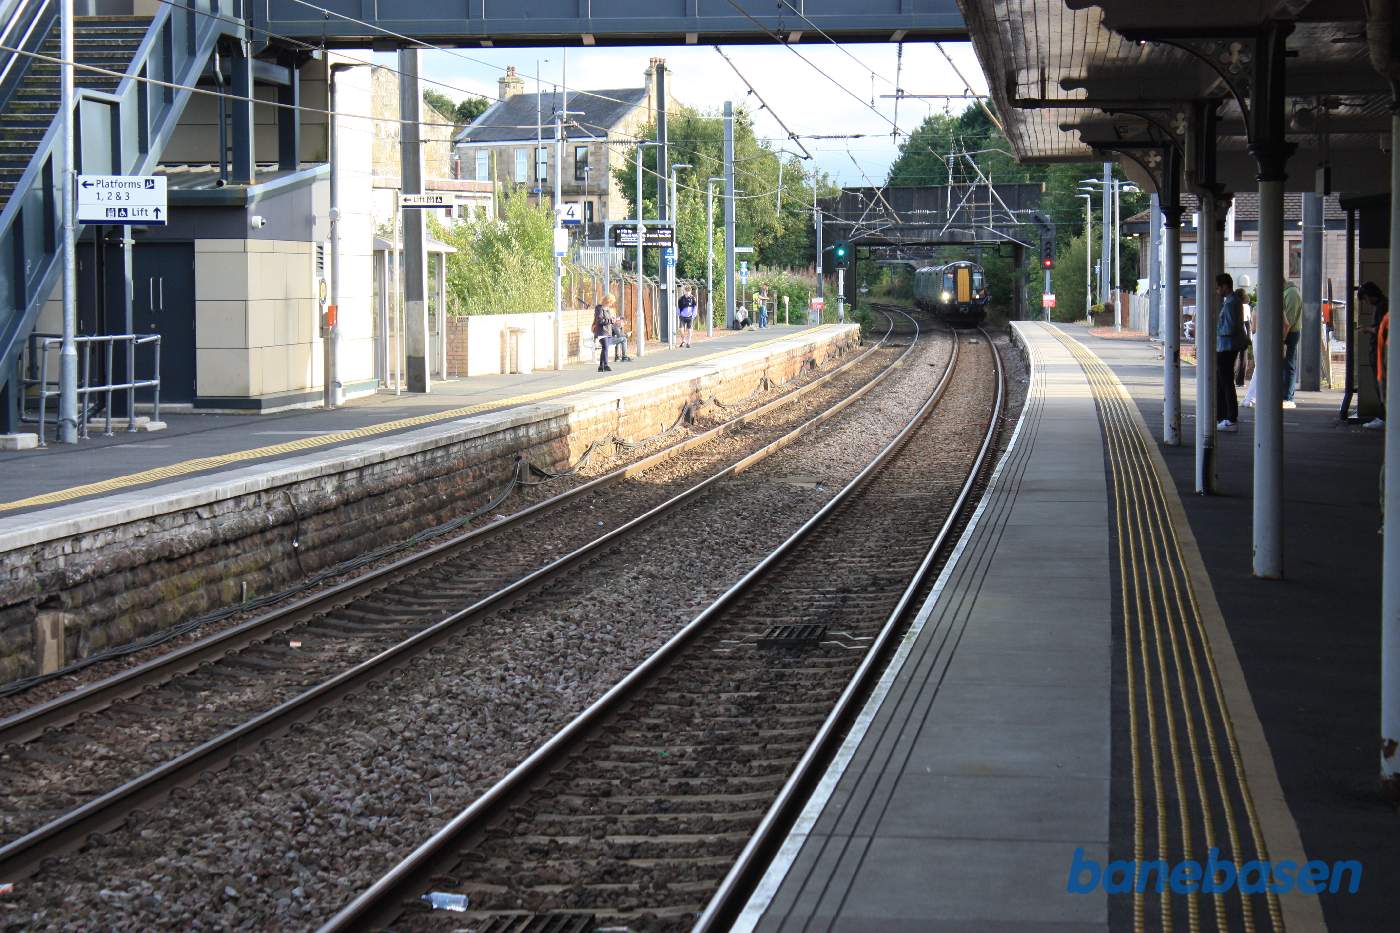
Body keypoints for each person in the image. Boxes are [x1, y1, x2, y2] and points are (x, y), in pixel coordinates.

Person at [1215, 273, 1246, 433]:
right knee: (1222, 382)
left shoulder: (1231, 303)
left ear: (1225, 286)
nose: (1217, 290)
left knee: (1226, 382)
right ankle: (1223, 416)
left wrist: (1215, 330)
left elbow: (1230, 327)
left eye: (1218, 287)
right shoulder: (1233, 301)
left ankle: (1230, 418)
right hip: (1227, 346)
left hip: (1227, 347)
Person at [1360, 281, 1389, 429]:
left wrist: (1368, 329)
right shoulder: (1384, 305)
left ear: (1370, 295)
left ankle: (1384, 417)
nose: (1366, 302)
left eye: (1365, 298)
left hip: (1380, 351)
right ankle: (1383, 416)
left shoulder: (1382, 307)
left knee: (1381, 386)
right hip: (1380, 351)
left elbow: (1382, 329)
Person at [1281, 277, 1302, 408]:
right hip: (1288, 332)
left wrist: (1282, 339)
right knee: (1286, 365)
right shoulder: (1288, 292)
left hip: (1289, 333)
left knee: (1288, 365)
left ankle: (1287, 397)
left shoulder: (1291, 293)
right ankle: (1286, 395)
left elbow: (1288, 321)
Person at [592, 297, 614, 372]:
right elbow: (600, 320)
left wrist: (612, 320)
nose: (611, 304)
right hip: (601, 331)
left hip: (607, 332)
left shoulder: (607, 310)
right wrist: (611, 320)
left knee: (605, 348)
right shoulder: (599, 308)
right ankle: (605, 365)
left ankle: (602, 366)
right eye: (611, 302)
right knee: (605, 347)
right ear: (607, 301)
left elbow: (608, 319)